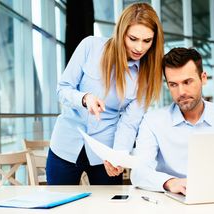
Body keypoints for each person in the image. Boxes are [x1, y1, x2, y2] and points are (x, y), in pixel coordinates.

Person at [46, 3, 164, 185]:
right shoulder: (90, 47)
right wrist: (84, 98)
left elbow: (129, 123)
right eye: (133, 38)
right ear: (121, 33)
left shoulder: (145, 77)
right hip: (65, 145)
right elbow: (63, 89)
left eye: (147, 41)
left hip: (105, 154)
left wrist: (118, 155)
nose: (139, 48)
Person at [130, 47, 214, 194]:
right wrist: (169, 183)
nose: (181, 92)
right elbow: (138, 173)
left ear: (203, 78)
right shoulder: (152, 122)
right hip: (170, 201)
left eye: (187, 82)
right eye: (173, 84)